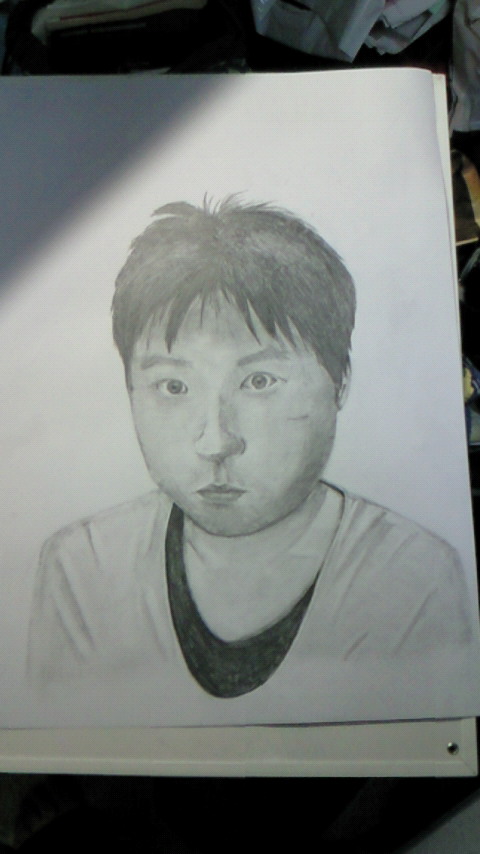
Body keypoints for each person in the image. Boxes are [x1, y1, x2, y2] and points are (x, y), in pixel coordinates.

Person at [26, 197, 479, 724]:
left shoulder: (411, 576)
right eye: (173, 386)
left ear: (340, 382)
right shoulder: (83, 568)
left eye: (259, 381)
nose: (215, 442)